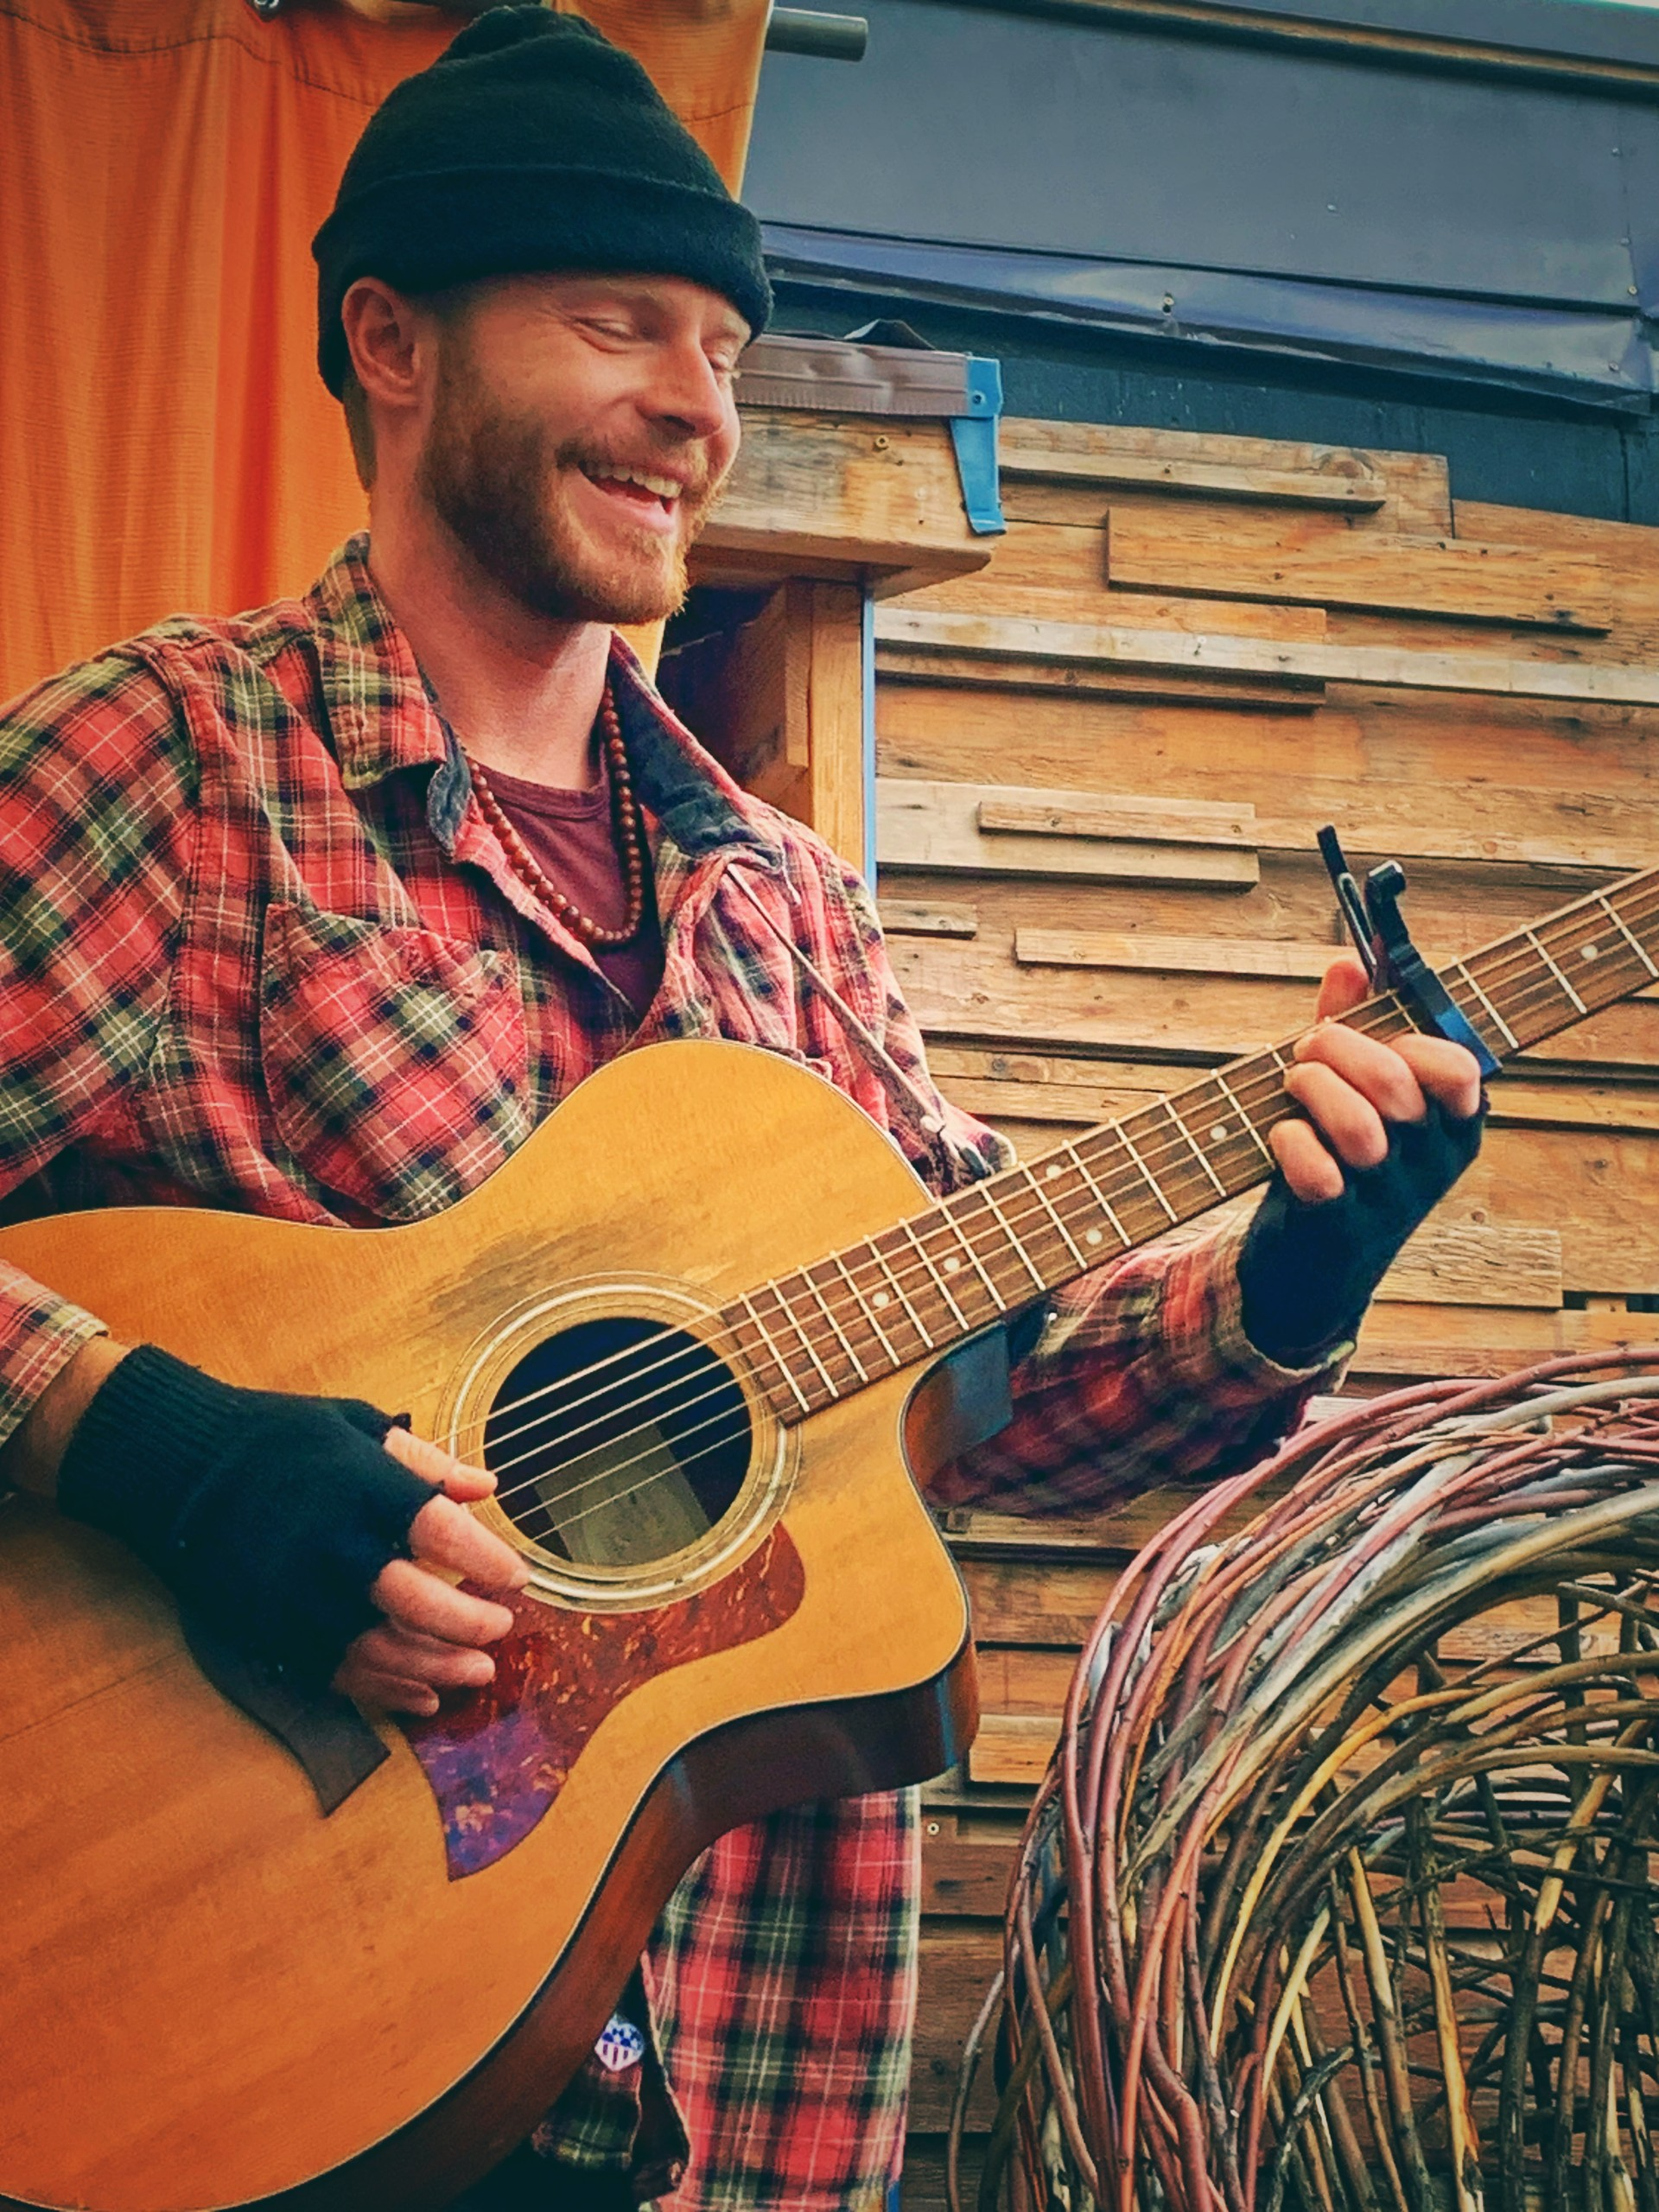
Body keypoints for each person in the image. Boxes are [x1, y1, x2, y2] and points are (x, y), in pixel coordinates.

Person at [0, 12, 1484, 2208]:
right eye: (620, 325)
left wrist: (1293, 1265)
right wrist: (168, 1455)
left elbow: (988, 1391)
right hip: (260, 2022)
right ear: (390, 342)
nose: (702, 409)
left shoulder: (785, 903)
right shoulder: (180, 766)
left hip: (737, 2098)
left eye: (721, 343)